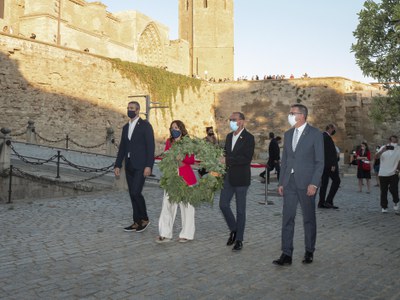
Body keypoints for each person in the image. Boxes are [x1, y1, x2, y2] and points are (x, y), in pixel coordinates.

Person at [273, 104, 324, 266]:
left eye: (292, 113)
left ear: (301, 115)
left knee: (308, 218)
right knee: (287, 218)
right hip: (289, 183)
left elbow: (319, 162)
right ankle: (286, 253)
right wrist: (281, 182)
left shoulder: (315, 134)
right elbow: (286, 160)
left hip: (307, 183)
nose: (289, 115)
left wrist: (314, 184)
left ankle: (309, 251)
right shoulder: (288, 134)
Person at [114, 101, 155, 233]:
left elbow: (151, 147)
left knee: (135, 192)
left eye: (132, 108)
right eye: (128, 108)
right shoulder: (126, 127)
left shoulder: (145, 126)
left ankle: (145, 219)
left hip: (141, 165)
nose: (129, 110)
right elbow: (122, 147)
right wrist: (118, 164)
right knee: (132, 194)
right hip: (129, 165)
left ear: (138, 111)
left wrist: (149, 166)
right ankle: (136, 221)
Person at [219, 112, 255, 251]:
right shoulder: (228, 136)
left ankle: (239, 239)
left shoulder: (248, 138)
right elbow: (225, 154)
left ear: (242, 122)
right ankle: (234, 229)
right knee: (223, 204)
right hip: (228, 177)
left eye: (234, 120)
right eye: (230, 120)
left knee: (240, 210)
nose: (231, 122)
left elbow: (246, 158)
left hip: (241, 178)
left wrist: (228, 160)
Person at [156, 120, 196, 243]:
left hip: (186, 178)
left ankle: (187, 234)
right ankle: (165, 233)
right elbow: (166, 156)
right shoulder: (169, 142)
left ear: (181, 129)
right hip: (171, 177)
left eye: (177, 127)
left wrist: (182, 158)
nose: (174, 130)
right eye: (172, 127)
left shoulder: (188, 142)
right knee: (167, 205)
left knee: (187, 207)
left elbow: (191, 160)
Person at [375, 135, 400, 213]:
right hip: (383, 172)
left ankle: (396, 201)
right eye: (392, 138)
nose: (393, 139)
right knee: (383, 191)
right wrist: (382, 151)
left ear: (397, 140)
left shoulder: (398, 148)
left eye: (395, 138)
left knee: (393, 189)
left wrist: (398, 170)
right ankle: (384, 206)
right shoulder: (383, 147)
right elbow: (376, 157)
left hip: (394, 172)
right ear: (389, 140)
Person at [318, 124, 341, 209]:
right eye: (334, 129)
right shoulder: (326, 138)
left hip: (324, 165)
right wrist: (333, 164)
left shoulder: (321, 137)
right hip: (329, 165)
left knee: (324, 183)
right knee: (337, 181)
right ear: (330, 128)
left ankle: (321, 202)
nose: (335, 131)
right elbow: (330, 153)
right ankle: (328, 201)